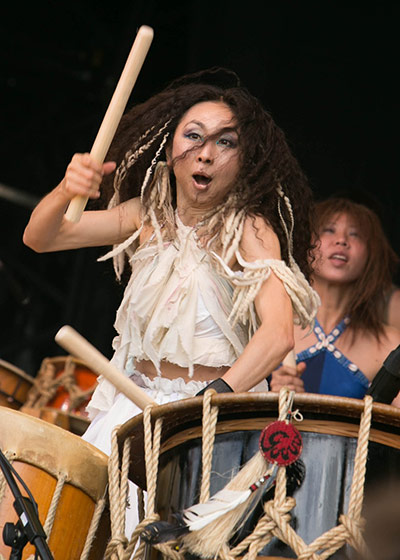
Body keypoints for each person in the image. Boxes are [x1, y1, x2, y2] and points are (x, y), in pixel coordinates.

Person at [23, 67, 319, 535]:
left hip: (209, 419)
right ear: (170, 148)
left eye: (226, 142)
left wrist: (208, 404)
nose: (205, 153)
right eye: (194, 136)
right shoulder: (146, 215)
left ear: (246, 160)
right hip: (131, 411)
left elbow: (278, 333)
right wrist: (66, 189)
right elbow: (41, 238)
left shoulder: (251, 229)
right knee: (92, 538)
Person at [270, 197, 400, 403]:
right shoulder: (270, 326)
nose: (341, 240)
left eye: (355, 234)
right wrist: (267, 398)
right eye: (329, 230)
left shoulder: (390, 344)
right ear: (306, 243)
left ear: (371, 254)